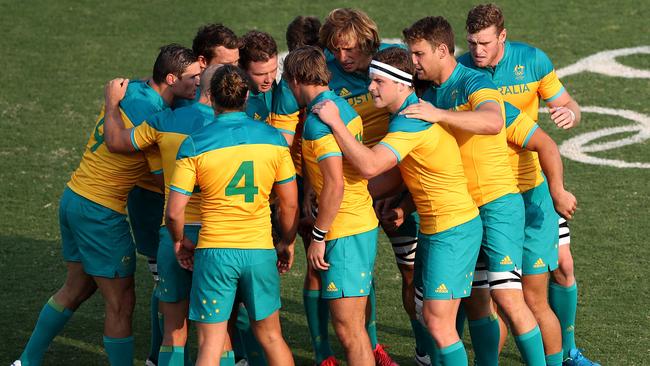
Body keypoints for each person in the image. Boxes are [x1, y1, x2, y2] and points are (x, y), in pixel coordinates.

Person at [12, 44, 200, 366]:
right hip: (100, 212)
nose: (198, 84)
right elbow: (162, 180)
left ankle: (26, 361)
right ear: (171, 78)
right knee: (122, 303)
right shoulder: (155, 119)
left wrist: (112, 101)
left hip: (74, 198)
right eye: (193, 78)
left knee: (77, 288)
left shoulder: (135, 90)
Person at [313, 46, 482, 366]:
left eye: (378, 81)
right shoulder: (405, 116)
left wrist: (335, 123)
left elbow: (370, 166)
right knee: (433, 318)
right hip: (441, 227)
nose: (371, 87)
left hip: (453, 228)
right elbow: (392, 176)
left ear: (402, 84)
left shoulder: (409, 122)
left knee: (438, 322)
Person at [401, 16, 546, 365]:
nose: (414, 62)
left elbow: (492, 120)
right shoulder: (430, 93)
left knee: (509, 298)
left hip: (497, 204)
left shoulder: (472, 81)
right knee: (478, 300)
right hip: (464, 214)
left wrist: (440, 115)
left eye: (419, 54)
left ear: (440, 50)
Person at [458, 5, 596, 365]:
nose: (477, 51)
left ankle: (567, 355)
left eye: (485, 42)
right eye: (472, 43)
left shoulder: (531, 60)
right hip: (485, 194)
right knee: (494, 299)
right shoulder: (460, 70)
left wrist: (570, 113)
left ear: (502, 36)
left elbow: (568, 105)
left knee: (535, 296)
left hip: (531, 190)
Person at [166, 65, 298, 366]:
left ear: (211, 97)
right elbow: (289, 205)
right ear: (247, 96)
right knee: (272, 337)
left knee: (210, 343)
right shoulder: (274, 139)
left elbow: (174, 211)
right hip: (260, 251)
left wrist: (178, 241)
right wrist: (287, 242)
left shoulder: (195, 144)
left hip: (215, 252)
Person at [103, 65, 233, 366]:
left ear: (204, 87)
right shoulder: (238, 129)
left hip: (174, 231)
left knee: (174, 329)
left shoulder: (164, 121)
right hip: (220, 236)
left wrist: (112, 104)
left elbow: (116, 142)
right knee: (217, 330)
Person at [319, 9, 413, 365]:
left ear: (369, 43)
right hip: (348, 192)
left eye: (350, 50)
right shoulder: (325, 71)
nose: (342, 58)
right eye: (335, 49)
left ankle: (421, 350)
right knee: (351, 278)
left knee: (411, 271)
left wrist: (401, 201)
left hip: (392, 183)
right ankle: (366, 348)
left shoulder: (392, 66)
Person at [283, 46, 379, 366]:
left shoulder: (316, 122)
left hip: (343, 230)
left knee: (349, 330)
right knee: (355, 327)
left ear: (297, 79)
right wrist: (312, 185)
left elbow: (336, 184)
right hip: (360, 220)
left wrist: (319, 236)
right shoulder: (341, 108)